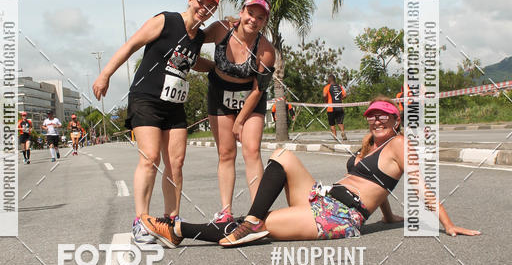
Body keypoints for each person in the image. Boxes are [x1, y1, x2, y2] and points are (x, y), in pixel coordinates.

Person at [141, 98, 480, 247]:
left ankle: (180, 230)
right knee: (283, 155)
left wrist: (447, 224)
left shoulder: (400, 144)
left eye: (384, 116)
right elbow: (381, 186)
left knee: (266, 227)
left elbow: (419, 185)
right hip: (322, 195)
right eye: (373, 115)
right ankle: (252, 221)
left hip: (341, 216)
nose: (377, 120)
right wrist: (388, 216)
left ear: (396, 120)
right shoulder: (371, 146)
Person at [92, 0, 220, 244]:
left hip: (173, 105)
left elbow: (194, 63)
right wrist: (105, 75)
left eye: (211, 6)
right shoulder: (165, 21)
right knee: (150, 158)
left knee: (176, 163)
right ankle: (142, 221)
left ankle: (170, 220)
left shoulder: (198, 38)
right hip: (146, 98)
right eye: (201, 1)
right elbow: (131, 45)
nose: (204, 8)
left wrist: (218, 67)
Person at [201, 0, 275, 223]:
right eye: (250, 14)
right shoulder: (220, 29)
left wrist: (240, 120)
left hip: (250, 99)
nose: (253, 20)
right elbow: (191, 41)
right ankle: (225, 211)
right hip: (219, 96)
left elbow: (258, 91)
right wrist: (204, 66)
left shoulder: (266, 50)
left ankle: (256, 213)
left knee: (251, 150)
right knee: (226, 153)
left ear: (264, 23)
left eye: (260, 18)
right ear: (242, 12)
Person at [323, 74, 347, 141]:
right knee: (340, 122)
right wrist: (340, 98)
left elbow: (324, 95)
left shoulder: (327, 87)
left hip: (331, 108)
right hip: (340, 107)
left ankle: (335, 137)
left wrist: (326, 100)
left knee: (332, 123)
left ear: (329, 80)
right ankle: (342, 132)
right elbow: (345, 95)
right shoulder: (339, 87)